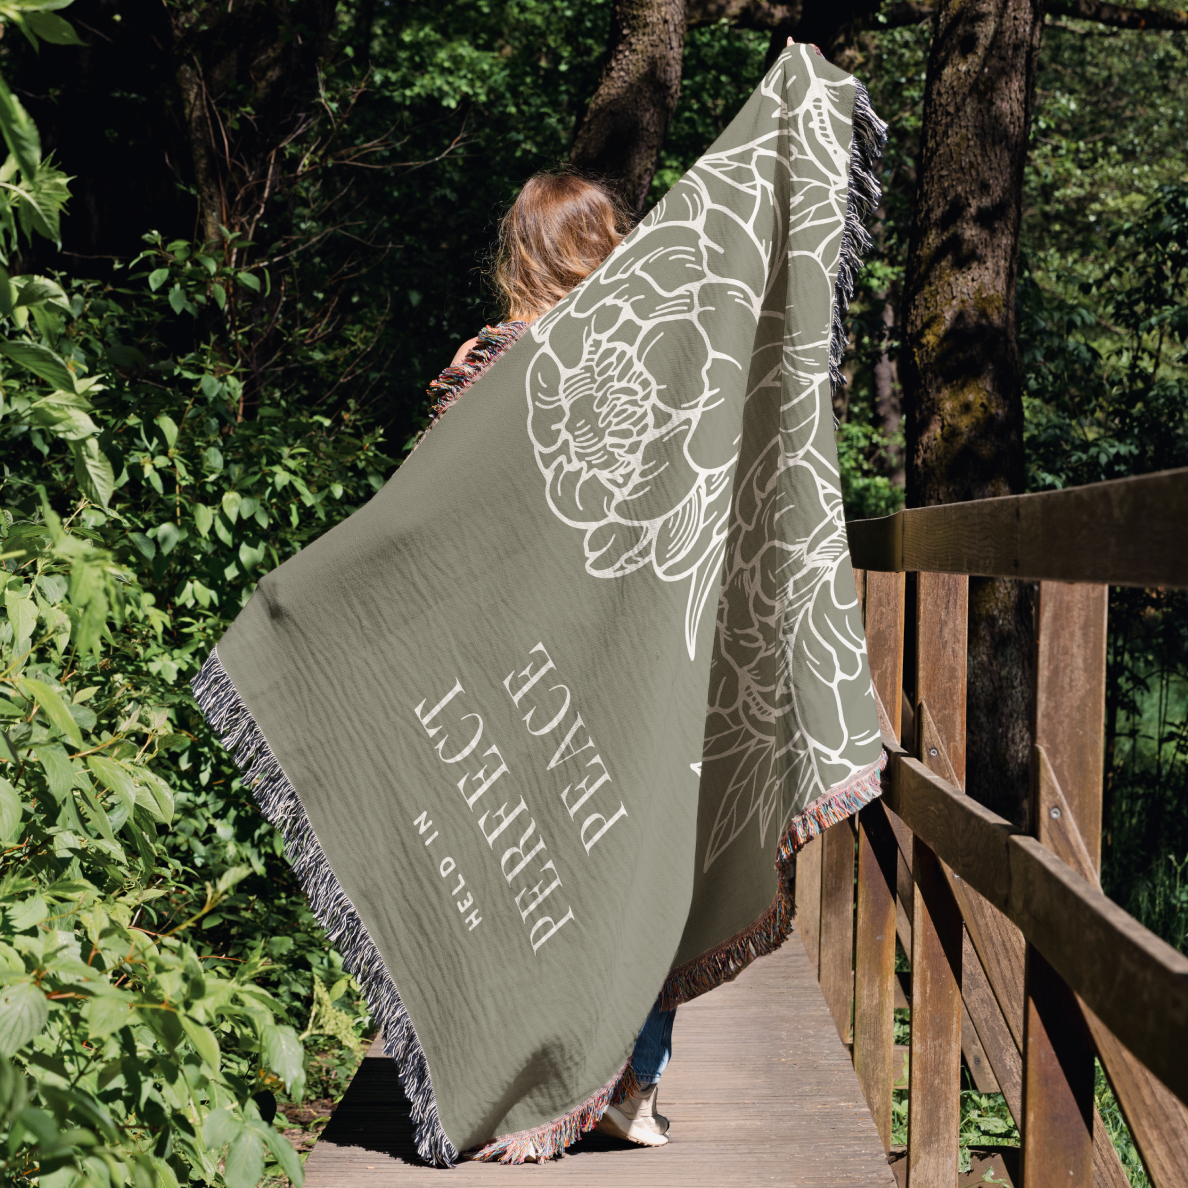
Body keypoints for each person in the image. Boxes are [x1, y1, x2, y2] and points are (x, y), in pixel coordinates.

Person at [426, 170, 675, 1150]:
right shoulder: (640, 363)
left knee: (512, 866)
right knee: (631, 861)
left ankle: (509, 1089)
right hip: (611, 651)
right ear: (604, 253)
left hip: (499, 652)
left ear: (520, 253)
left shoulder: (474, 364)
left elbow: (434, 519)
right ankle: (629, 1090)